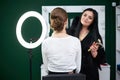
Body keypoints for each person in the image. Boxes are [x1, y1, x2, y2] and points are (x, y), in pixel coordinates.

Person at [67, 8, 106, 80]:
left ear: (93, 21)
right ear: (81, 15)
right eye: (85, 15)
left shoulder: (96, 36)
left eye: (90, 18)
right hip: (72, 70)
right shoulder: (70, 32)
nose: (86, 18)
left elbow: (102, 59)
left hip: (90, 72)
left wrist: (95, 53)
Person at [41, 7, 82, 75]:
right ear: (66, 21)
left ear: (51, 22)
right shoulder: (76, 41)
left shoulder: (45, 42)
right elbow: (78, 69)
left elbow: (46, 68)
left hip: (52, 77)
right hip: (71, 77)